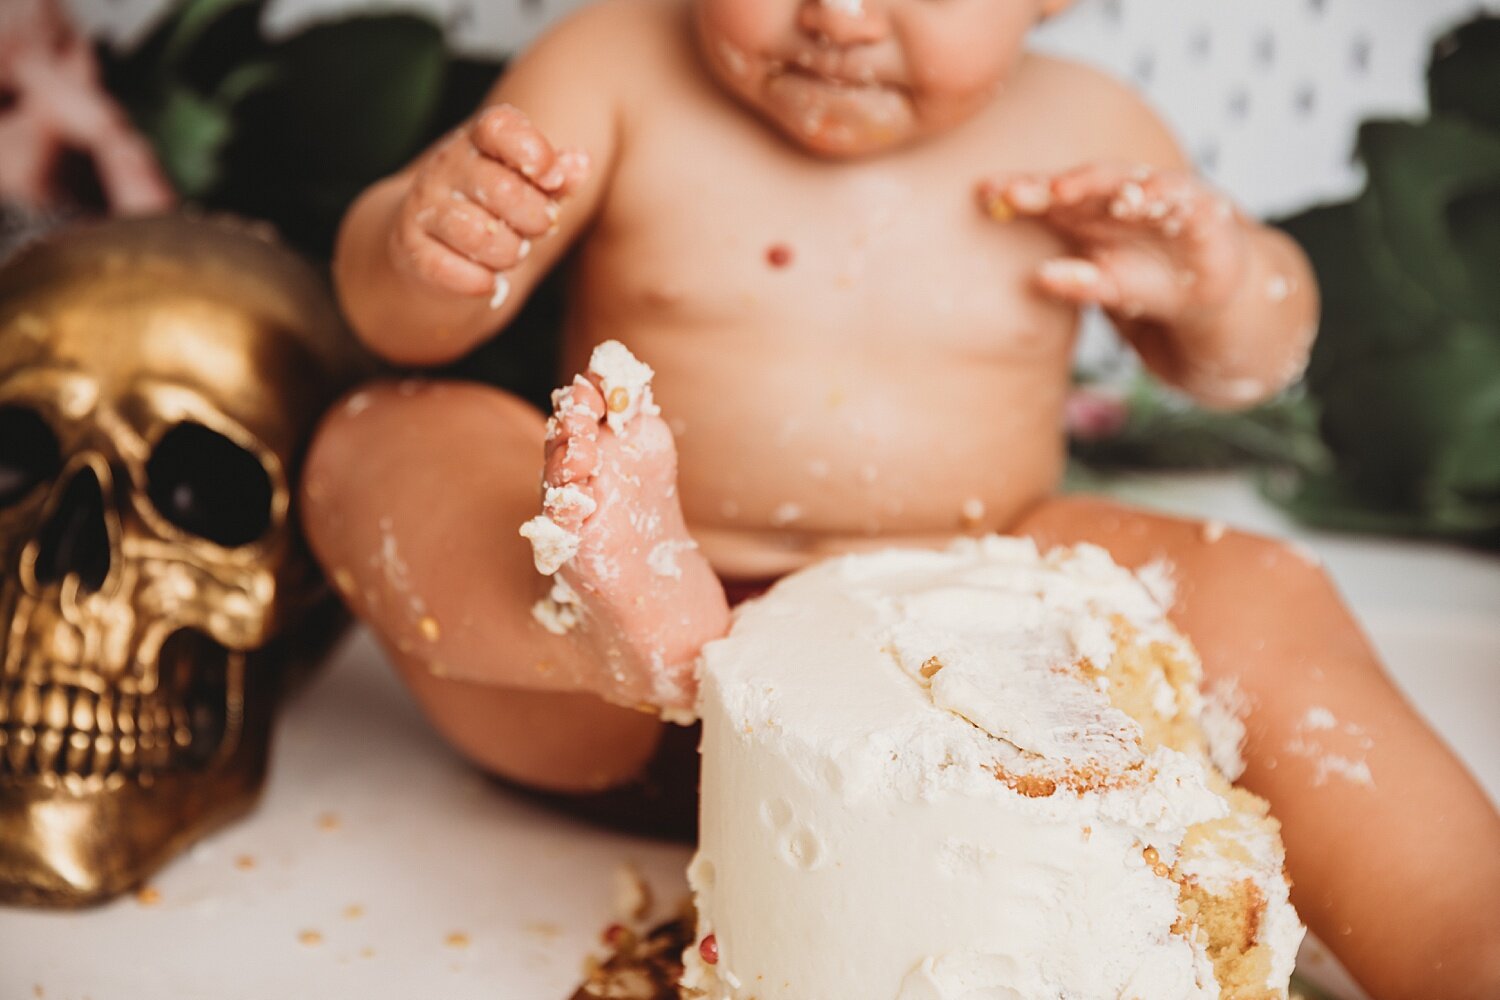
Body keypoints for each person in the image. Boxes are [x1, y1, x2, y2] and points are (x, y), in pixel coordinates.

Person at [303, 2, 1500, 996]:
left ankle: (1461, 933)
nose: (835, 15)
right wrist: (428, 246)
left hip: (987, 643)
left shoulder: (1090, 125)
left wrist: (1225, 284)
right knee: (380, 436)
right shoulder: (612, 65)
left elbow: (1239, 368)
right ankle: (598, 609)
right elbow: (387, 316)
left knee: (1260, 592)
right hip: (624, 695)